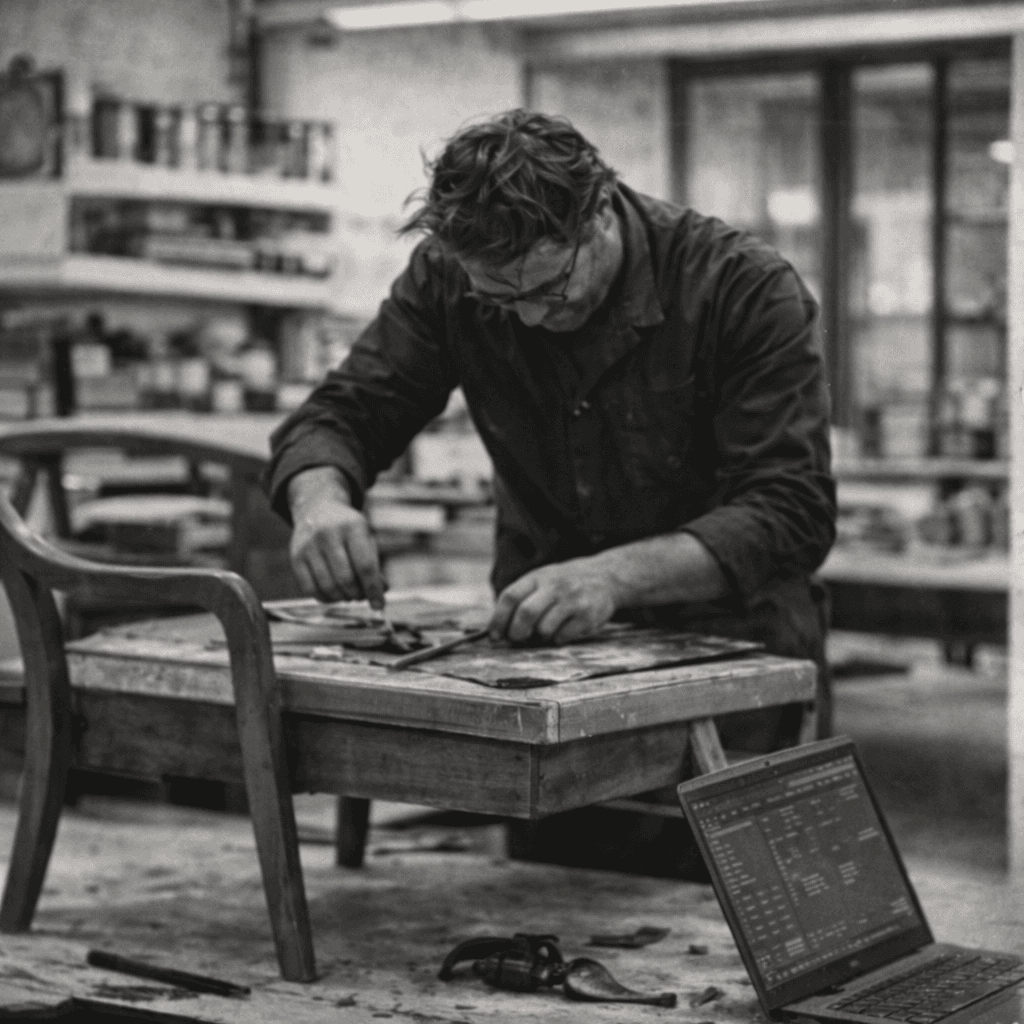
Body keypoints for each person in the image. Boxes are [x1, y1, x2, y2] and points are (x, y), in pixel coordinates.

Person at [266, 108, 836, 762]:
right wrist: (320, 500)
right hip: (543, 668)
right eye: (500, 300)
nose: (532, 318)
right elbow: (346, 411)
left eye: (551, 288)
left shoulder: (742, 288)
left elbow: (792, 511)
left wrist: (613, 578)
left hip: (735, 669)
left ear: (599, 214)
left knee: (708, 831)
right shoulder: (447, 278)